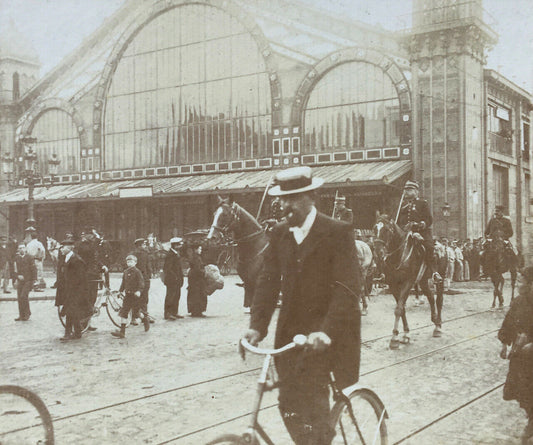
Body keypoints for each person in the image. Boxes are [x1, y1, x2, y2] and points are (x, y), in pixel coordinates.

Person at [243, 166, 362, 445]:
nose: (285, 205)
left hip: (327, 336)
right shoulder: (280, 234)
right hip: (291, 337)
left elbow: (347, 289)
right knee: (288, 405)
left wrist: (326, 332)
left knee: (315, 408)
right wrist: (256, 328)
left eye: (292, 199)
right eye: (282, 199)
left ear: (310, 196)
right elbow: (268, 282)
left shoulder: (337, 232)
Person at [498, 266, 533, 441]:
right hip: (520, 353)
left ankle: (532, 422)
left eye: (521, 281)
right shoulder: (518, 301)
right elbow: (509, 322)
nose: (518, 284)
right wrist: (504, 343)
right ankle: (530, 413)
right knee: (520, 388)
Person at [396, 180, 442, 283]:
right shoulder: (402, 206)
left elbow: (429, 219)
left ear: (416, 191)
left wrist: (419, 225)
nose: (406, 192)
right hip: (406, 234)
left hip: (422, 233)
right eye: (405, 190)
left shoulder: (422, 203)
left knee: (429, 247)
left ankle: (434, 272)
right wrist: (403, 227)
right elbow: (399, 222)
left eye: (409, 190)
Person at [75, 227, 109, 331]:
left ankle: (87, 323)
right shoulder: (81, 246)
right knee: (85, 300)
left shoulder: (91, 245)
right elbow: (87, 259)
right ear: (85, 235)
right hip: (85, 275)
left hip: (93, 275)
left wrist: (102, 265)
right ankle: (81, 322)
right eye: (91, 235)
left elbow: (95, 259)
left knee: (92, 298)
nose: (93, 237)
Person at [59, 239, 91, 341]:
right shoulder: (66, 258)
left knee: (70, 311)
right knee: (73, 311)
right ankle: (77, 333)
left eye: (63, 247)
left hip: (76, 291)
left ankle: (67, 333)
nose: (61, 249)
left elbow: (81, 278)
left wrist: (78, 292)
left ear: (69, 248)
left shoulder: (77, 260)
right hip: (68, 289)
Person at [112, 254, 148, 338]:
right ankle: (122, 332)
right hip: (127, 295)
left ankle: (145, 319)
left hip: (135, 296)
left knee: (136, 312)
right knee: (124, 312)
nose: (129, 263)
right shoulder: (125, 272)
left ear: (135, 262)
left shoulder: (137, 272)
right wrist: (120, 291)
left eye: (131, 261)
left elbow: (141, 283)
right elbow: (123, 283)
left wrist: (139, 291)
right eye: (128, 262)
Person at [132, 238, 153, 325]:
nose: (145, 246)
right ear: (139, 246)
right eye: (144, 244)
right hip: (137, 279)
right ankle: (135, 317)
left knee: (144, 298)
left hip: (144, 279)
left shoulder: (145, 254)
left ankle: (144, 316)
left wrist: (149, 276)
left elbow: (148, 266)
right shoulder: (133, 254)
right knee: (136, 298)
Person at [13, 243, 36, 321]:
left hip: (28, 280)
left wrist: (34, 280)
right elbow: (14, 269)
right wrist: (17, 276)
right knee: (19, 297)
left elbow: (34, 269)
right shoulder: (16, 258)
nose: (21, 249)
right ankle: (21, 315)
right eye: (20, 248)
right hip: (20, 281)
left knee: (23, 296)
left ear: (25, 249)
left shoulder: (30, 257)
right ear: (18, 250)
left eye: (23, 248)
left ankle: (27, 313)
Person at [163, 237, 184, 320]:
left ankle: (174, 312)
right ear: (175, 245)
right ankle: (167, 313)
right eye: (179, 244)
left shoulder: (175, 254)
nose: (180, 246)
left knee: (176, 296)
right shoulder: (170, 255)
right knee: (170, 296)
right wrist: (175, 277)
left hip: (177, 279)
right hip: (172, 280)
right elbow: (168, 268)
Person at [187, 243, 207, 317]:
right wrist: (204, 272)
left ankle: (194, 311)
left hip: (193, 278)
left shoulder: (195, 257)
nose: (200, 250)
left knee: (194, 294)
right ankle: (197, 311)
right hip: (197, 279)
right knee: (198, 294)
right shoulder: (196, 258)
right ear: (196, 250)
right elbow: (197, 269)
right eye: (199, 249)